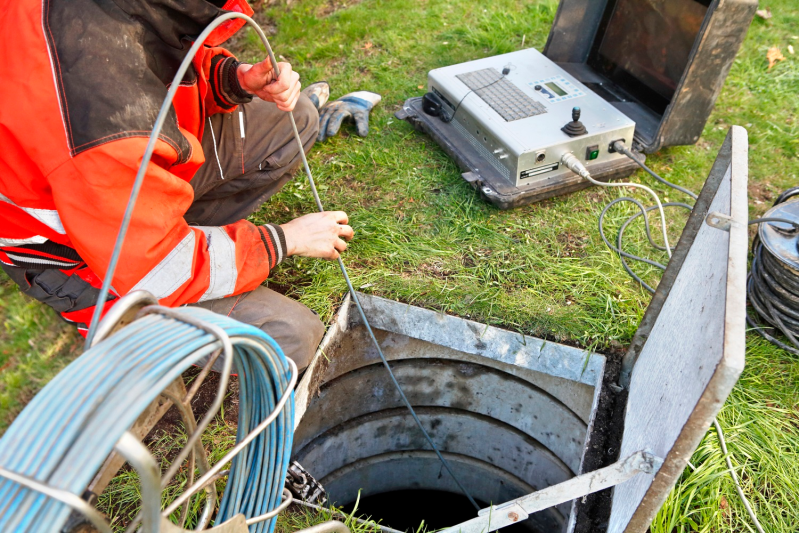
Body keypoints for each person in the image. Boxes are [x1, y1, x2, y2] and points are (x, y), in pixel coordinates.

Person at [0, 0, 380, 371]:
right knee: (290, 337)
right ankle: (131, 319)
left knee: (296, 118)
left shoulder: (137, 14)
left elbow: (168, 65)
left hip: (130, 190)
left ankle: (188, 238)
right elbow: (158, 268)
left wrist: (234, 79)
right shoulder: (96, 116)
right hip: (86, 254)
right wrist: (283, 240)